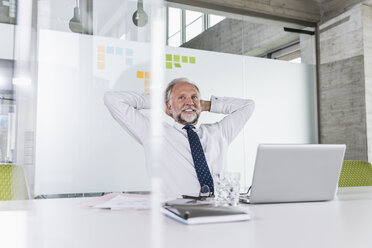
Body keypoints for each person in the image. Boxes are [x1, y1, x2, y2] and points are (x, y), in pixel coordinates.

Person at [104, 78, 254, 197]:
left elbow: (248, 106)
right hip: (176, 215)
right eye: (181, 98)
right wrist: (160, 102)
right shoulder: (153, 133)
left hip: (220, 209)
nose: (189, 102)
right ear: (168, 107)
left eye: (194, 97)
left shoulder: (219, 132)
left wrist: (207, 105)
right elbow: (113, 99)